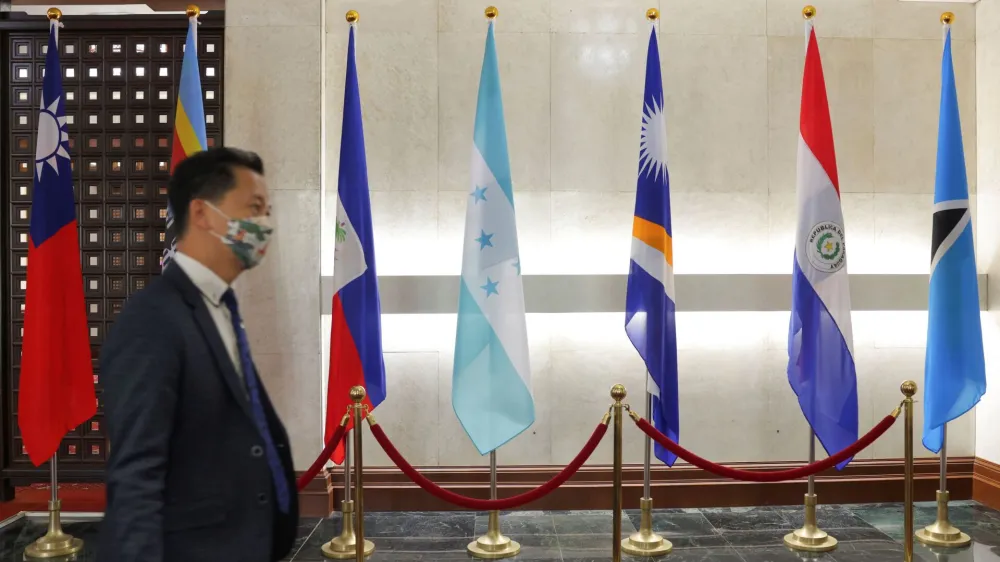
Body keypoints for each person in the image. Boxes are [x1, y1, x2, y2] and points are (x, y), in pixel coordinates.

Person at [98, 147, 298, 561]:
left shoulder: (219, 306)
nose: (264, 225)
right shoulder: (153, 320)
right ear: (203, 213)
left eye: (267, 211)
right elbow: (137, 476)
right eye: (254, 209)